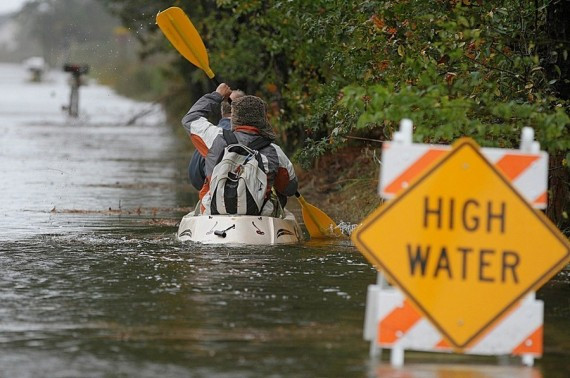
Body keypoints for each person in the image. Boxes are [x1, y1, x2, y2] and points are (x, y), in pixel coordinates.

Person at [181, 83, 298, 216]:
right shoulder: (275, 151)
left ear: (234, 117)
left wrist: (217, 95)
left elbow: (190, 119)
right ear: (263, 120)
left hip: (212, 213)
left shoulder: (215, 138)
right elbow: (290, 188)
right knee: (279, 196)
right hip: (259, 218)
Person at [187, 89, 245, 190]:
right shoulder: (250, 137)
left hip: (209, 197)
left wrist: (216, 95)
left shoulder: (208, 135)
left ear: (222, 111)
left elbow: (194, 176)